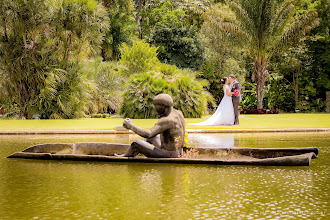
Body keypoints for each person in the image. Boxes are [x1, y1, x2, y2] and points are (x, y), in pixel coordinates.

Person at [117, 94, 185, 158]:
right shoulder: (178, 113)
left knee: (136, 143)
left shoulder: (167, 120)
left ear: (163, 106)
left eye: (156, 105)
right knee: (153, 137)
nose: (154, 108)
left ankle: (125, 156)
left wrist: (131, 126)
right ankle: (139, 149)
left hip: (169, 154)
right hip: (178, 152)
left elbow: (149, 134)